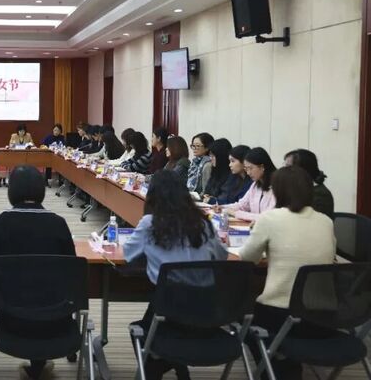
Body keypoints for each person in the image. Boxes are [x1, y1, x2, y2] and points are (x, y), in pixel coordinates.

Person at [123, 170, 228, 380]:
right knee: (158, 331)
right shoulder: (203, 223)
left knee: (140, 332)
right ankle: (176, 366)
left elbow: (128, 254)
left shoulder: (150, 223)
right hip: (206, 312)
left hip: (168, 309)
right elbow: (221, 256)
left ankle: (160, 368)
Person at [0, 165, 76, 380]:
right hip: (56, 321)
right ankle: (39, 366)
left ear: (11, 191)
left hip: (11, 321)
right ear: (41, 190)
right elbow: (73, 274)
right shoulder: (58, 224)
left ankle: (36, 367)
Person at [239, 166, 336, 380]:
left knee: (240, 314)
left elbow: (247, 258)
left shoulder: (270, 219)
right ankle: (285, 361)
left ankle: (274, 367)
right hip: (324, 318)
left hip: (281, 316)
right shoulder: (326, 221)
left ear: (278, 191)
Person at [222, 147, 277, 221]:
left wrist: (236, 213)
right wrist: (222, 207)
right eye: (246, 169)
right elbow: (242, 205)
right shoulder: (255, 185)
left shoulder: (277, 186)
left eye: (250, 168)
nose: (248, 173)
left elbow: (266, 217)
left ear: (262, 167)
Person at [284, 149, 334, 219]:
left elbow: (312, 222)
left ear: (303, 170)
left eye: (288, 167)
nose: (283, 171)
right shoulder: (299, 188)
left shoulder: (320, 194)